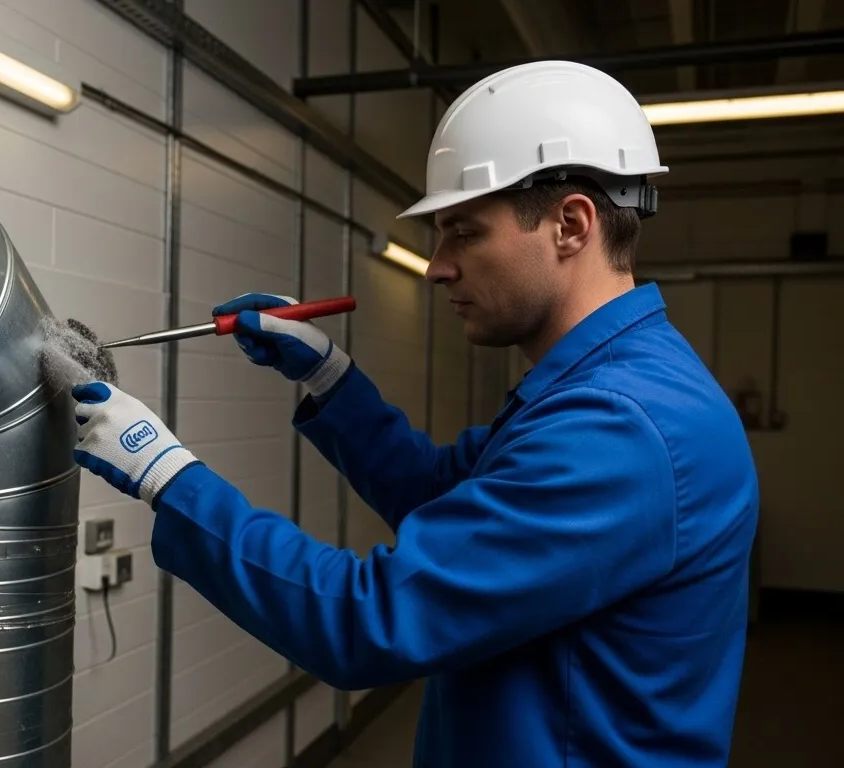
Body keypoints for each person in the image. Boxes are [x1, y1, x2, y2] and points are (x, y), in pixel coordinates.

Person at [69, 60, 758, 767]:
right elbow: (442, 496)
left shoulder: (620, 428)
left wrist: (167, 475)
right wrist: (328, 376)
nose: (435, 266)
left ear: (571, 225)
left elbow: (365, 622)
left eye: (463, 232)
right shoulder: (595, 390)